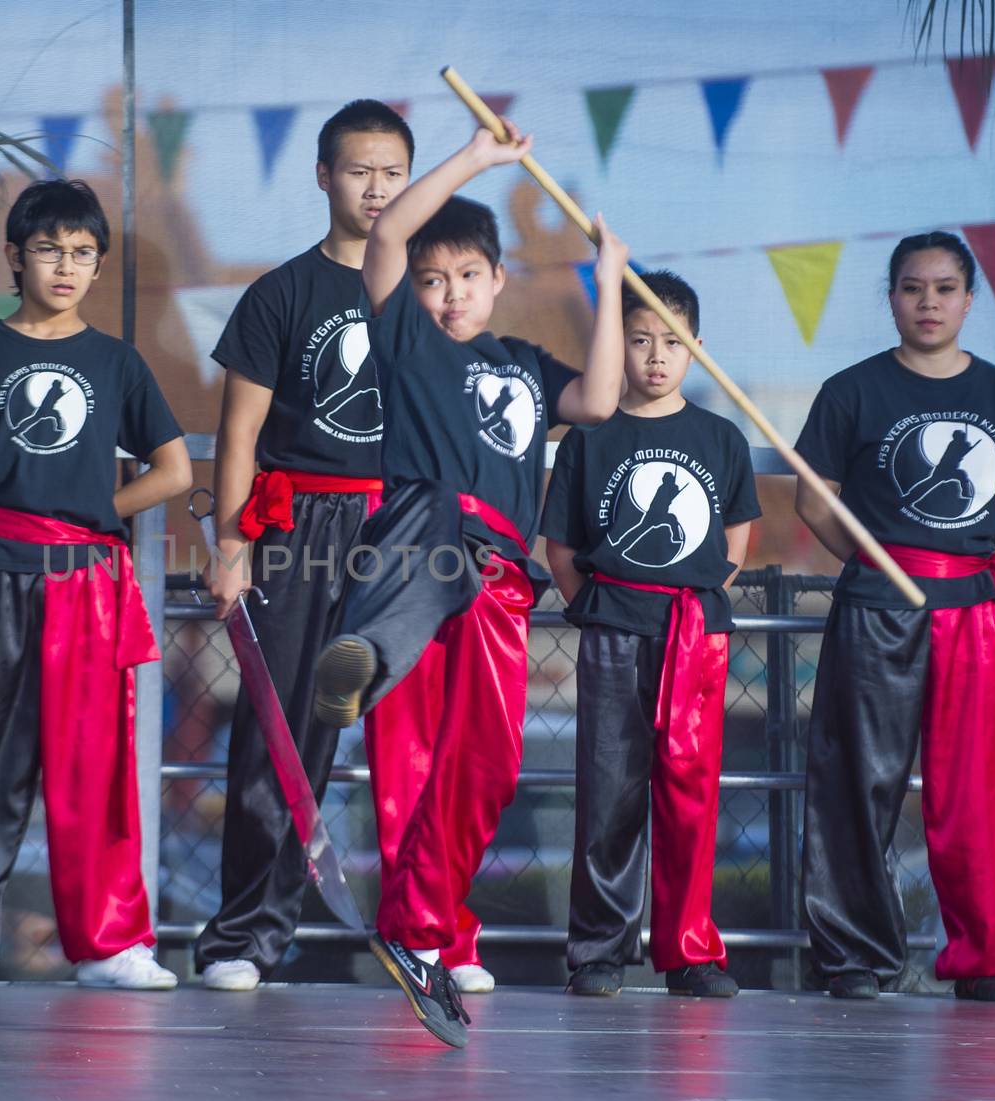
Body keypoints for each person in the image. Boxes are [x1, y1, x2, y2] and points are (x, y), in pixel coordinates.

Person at [312, 117, 625, 1046]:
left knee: (484, 768)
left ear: (498, 281)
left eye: (468, 278)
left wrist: (606, 286)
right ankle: (370, 650)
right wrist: (478, 159)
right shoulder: (408, 341)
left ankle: (421, 933)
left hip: (499, 575)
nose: (449, 295)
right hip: (425, 529)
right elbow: (386, 237)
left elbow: (600, 402)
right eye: (434, 279)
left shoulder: (524, 365)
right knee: (412, 723)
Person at [198, 98, 514, 994]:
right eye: (359, 171)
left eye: (391, 174)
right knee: (287, 731)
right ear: (324, 176)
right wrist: (230, 542)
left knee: (428, 737)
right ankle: (247, 937)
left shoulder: (432, 292)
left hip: (412, 528)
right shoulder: (282, 294)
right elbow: (240, 430)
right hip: (304, 525)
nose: (376, 188)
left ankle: (439, 937)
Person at [0, 179, 191, 992]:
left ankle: (107, 944)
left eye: (82, 253)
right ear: (14, 258)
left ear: (99, 266)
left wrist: (95, 514)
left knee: (94, 763)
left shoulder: (117, 362)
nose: (65, 266)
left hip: (87, 583)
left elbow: (172, 472)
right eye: (49, 249)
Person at [795, 231, 995, 1003]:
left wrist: (960, 552)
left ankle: (982, 956)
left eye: (946, 288)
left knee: (973, 788)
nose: (930, 302)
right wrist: (881, 559)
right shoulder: (852, 390)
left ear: (970, 300)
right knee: (857, 781)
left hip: (974, 610)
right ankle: (853, 957)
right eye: (914, 288)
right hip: (877, 604)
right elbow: (814, 498)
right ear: (892, 298)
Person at [541, 270, 759, 999]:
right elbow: (563, 549)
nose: (656, 357)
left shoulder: (720, 437)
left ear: (696, 347)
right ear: (617, 346)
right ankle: (599, 950)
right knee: (608, 791)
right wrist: (601, 606)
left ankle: (689, 952)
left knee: (689, 793)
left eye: (672, 342)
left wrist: (692, 606)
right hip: (611, 627)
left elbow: (736, 536)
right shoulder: (589, 438)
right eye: (639, 340)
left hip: (694, 635)